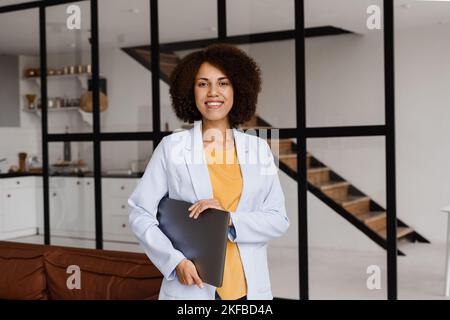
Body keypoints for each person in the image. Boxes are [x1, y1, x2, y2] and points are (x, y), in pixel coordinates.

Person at [128, 43, 290, 300]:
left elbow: (278, 219)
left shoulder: (258, 149)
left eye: (223, 83)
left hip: (248, 289)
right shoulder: (172, 148)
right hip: (192, 286)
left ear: (238, 89)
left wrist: (229, 219)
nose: (213, 92)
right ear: (190, 91)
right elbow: (140, 213)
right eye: (203, 84)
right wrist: (174, 262)